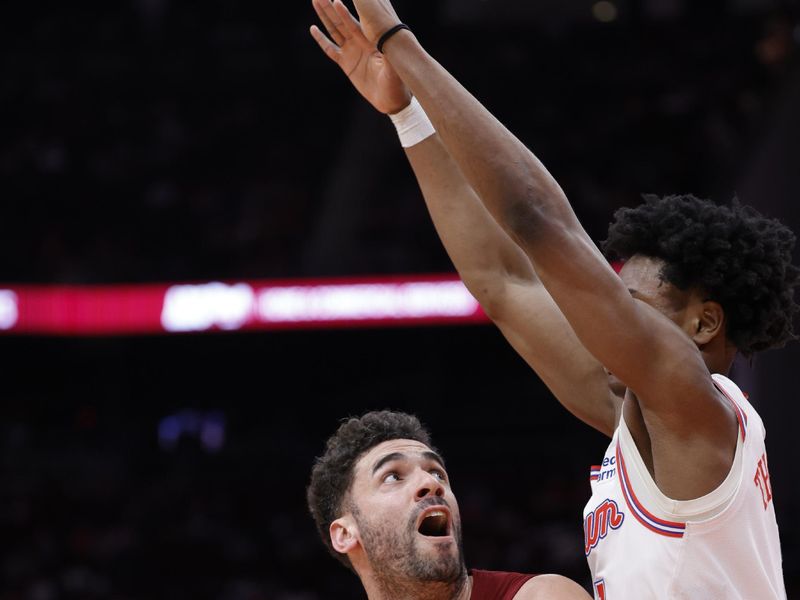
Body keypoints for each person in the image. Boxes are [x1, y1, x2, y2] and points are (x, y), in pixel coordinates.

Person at [309, 1, 799, 598]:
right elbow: (504, 282)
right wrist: (407, 116)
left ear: (703, 324)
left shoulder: (698, 410)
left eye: (631, 305)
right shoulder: (638, 420)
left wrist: (400, 43)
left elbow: (537, 221)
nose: (603, 318)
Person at [306, 409, 592, 599]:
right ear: (345, 534)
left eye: (436, 472)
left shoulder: (542, 595)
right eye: (393, 476)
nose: (431, 484)